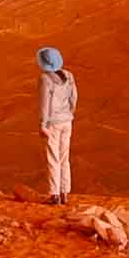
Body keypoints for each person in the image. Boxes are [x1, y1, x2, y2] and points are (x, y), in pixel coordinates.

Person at [37, 46, 77, 205]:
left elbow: (44, 104)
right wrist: (69, 114)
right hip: (67, 120)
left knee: (53, 158)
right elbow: (74, 98)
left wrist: (43, 124)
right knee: (64, 157)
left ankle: (54, 195)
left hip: (53, 123)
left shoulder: (45, 79)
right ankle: (65, 192)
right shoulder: (69, 75)